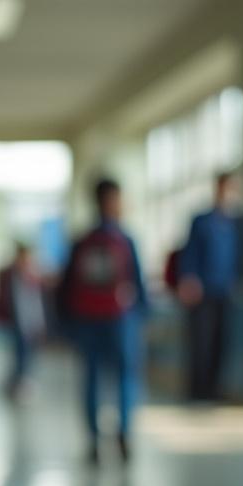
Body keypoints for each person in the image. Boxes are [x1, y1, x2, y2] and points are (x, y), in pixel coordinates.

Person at [58, 179, 148, 464]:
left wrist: (67, 325)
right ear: (111, 201)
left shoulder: (81, 241)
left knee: (92, 379)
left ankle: (94, 440)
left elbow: (65, 286)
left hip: (87, 321)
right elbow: (138, 284)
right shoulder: (125, 239)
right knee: (124, 378)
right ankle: (123, 432)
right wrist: (141, 317)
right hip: (120, 320)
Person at [177, 172, 243, 401]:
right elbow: (189, 253)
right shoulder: (202, 220)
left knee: (221, 342)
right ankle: (197, 389)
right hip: (202, 291)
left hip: (225, 290)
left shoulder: (236, 222)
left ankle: (215, 388)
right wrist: (188, 279)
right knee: (201, 342)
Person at [0, 242, 48, 398]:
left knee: (27, 354)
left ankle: (20, 381)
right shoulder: (13, 276)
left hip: (31, 322)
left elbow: (35, 302)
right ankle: (19, 383)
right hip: (20, 323)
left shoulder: (31, 275)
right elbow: (19, 303)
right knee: (21, 354)